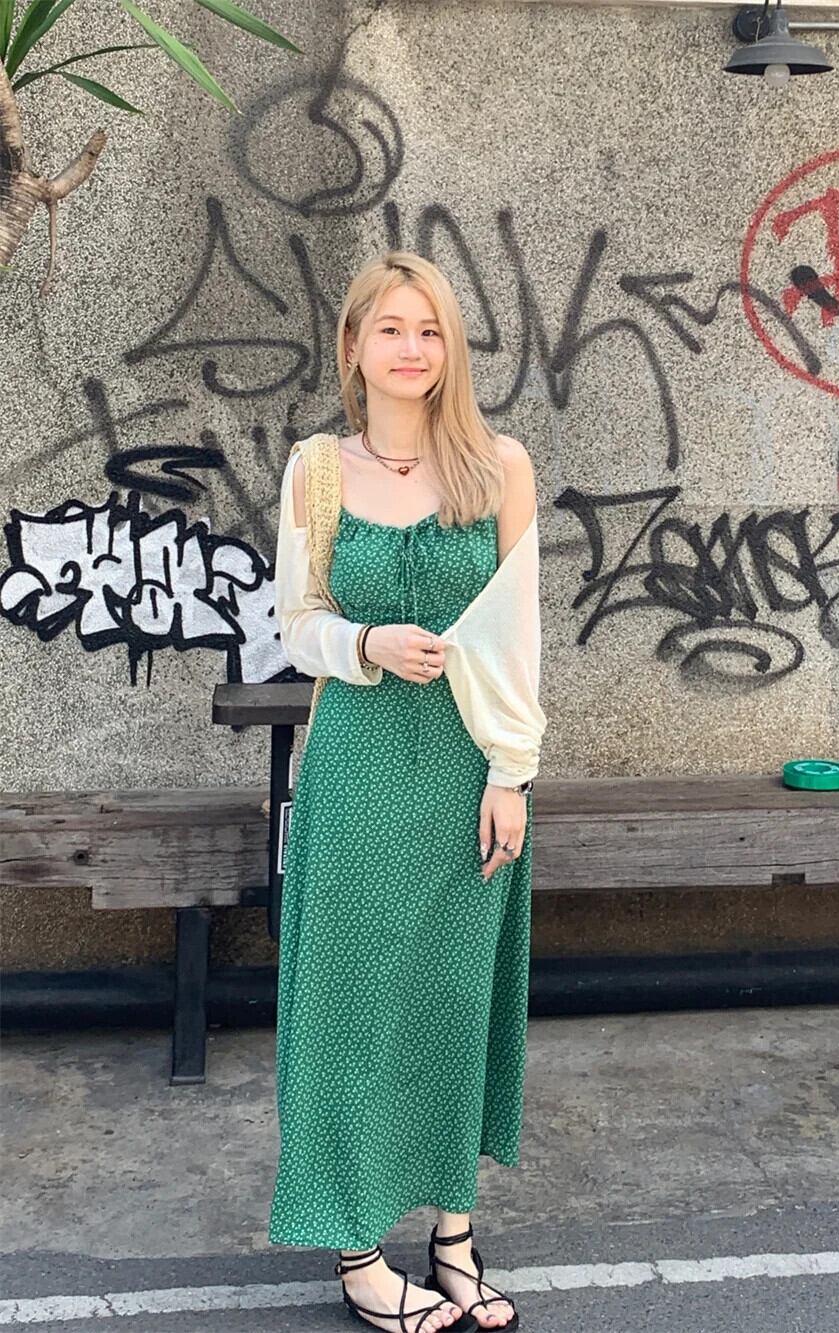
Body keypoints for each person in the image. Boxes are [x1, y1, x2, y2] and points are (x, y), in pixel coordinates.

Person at [268, 251, 546, 1333]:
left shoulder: (499, 466)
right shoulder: (316, 472)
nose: (412, 349)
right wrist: (366, 642)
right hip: (359, 770)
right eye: (391, 328)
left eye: (430, 330)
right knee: (349, 1003)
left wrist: (512, 774)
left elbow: (518, 639)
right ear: (353, 346)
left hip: (470, 774)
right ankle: (356, 1251)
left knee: (453, 1001)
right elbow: (294, 625)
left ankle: (453, 1237)